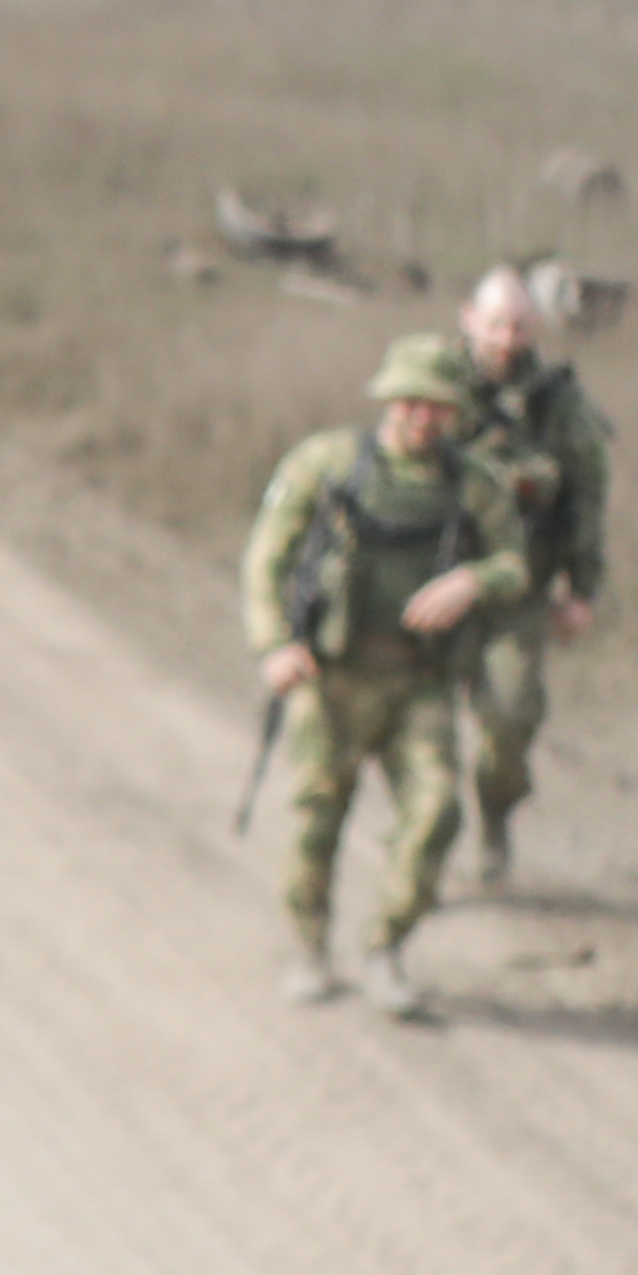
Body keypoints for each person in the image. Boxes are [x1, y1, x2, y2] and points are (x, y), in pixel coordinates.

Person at [242, 332, 536, 1014]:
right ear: (386, 400)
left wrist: (474, 580)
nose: (421, 417)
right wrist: (272, 646)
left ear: (456, 413)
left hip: (417, 681)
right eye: (409, 402)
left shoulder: (472, 484)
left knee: (436, 811)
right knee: (318, 817)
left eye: (437, 406)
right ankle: (311, 949)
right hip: (330, 676)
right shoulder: (328, 465)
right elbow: (267, 557)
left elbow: (516, 565)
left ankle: (386, 946)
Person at [444, 268, 610, 887]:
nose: (506, 339)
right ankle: (423, 835)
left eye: (518, 326)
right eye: (495, 325)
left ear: (535, 327)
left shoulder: (558, 403)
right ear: (468, 319)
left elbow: (588, 496)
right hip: (435, 579)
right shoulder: (434, 383)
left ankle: (494, 818)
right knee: (415, 726)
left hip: (519, 589)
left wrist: (583, 590)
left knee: (511, 717)